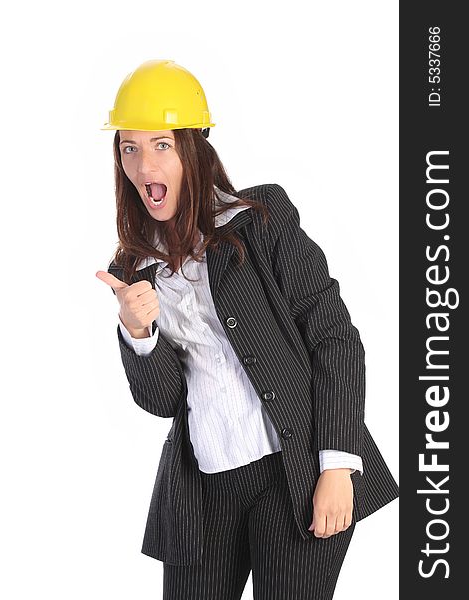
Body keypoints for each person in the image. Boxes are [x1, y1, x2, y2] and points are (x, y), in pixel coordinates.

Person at [96, 59, 399, 600]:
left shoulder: (260, 219)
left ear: (193, 148)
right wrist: (138, 333)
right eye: (130, 148)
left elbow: (336, 339)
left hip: (296, 473)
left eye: (161, 145)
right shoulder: (132, 271)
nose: (144, 164)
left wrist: (336, 466)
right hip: (203, 489)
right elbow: (163, 400)